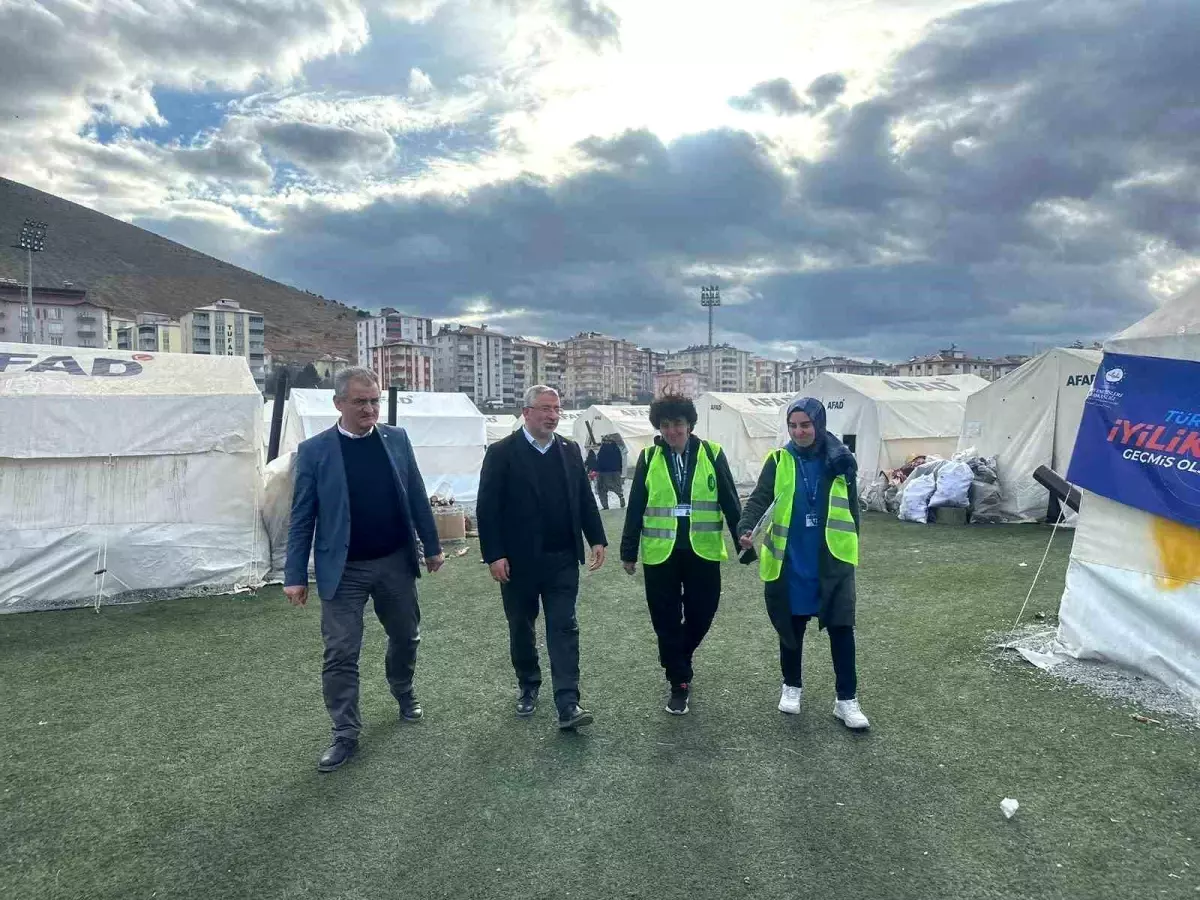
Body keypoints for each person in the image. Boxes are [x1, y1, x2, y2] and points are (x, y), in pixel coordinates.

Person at [284, 367, 446, 772]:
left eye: (374, 401)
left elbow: (416, 495)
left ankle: (402, 688)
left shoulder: (397, 439)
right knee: (340, 651)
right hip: (344, 570)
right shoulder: (315, 451)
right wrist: (294, 575)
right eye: (360, 401)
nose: (369, 409)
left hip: (394, 562)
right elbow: (302, 516)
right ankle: (345, 732)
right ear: (338, 403)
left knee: (406, 636)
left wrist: (432, 547)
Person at [476, 385, 608, 730]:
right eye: (545, 409)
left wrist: (596, 537)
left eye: (557, 409)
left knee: (564, 626)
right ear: (526, 412)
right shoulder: (502, 452)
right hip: (518, 562)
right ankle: (528, 684)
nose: (553, 415)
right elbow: (487, 508)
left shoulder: (569, 449)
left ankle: (568, 703)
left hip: (562, 558)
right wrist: (494, 555)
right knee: (521, 626)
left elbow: (583, 497)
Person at [737, 397, 870, 731]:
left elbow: (852, 509)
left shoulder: (841, 460)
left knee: (842, 629)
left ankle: (846, 700)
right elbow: (759, 498)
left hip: (832, 559)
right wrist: (745, 527)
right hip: (791, 560)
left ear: (819, 424)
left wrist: (852, 543)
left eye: (805, 425)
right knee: (791, 628)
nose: (799, 432)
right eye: (793, 426)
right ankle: (791, 686)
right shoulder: (778, 460)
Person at [620, 393, 747, 715]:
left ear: (690, 424)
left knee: (703, 613)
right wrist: (628, 551)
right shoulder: (649, 457)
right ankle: (679, 682)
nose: (672, 431)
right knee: (664, 620)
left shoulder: (712, 453)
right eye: (665, 425)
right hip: (660, 554)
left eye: (678, 423)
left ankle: (676, 655)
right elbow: (635, 507)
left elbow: (730, 501)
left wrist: (743, 543)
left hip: (702, 552)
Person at [594, 433, 625, 509]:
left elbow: (599, 461)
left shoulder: (602, 449)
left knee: (602, 489)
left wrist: (596, 470)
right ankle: (621, 496)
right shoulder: (616, 448)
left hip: (604, 472)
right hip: (616, 471)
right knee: (617, 486)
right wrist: (620, 470)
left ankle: (605, 506)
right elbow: (620, 459)